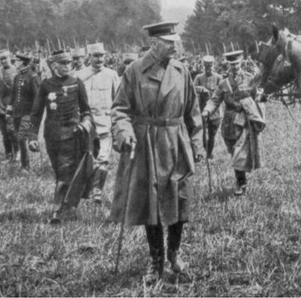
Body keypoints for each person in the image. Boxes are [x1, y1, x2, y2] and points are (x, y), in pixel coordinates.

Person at [110, 21, 204, 284]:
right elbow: (120, 109)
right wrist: (124, 132)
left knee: (179, 199)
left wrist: (196, 144)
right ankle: (155, 261)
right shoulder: (135, 70)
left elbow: (192, 111)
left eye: (175, 41)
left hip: (176, 142)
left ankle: (174, 255)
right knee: (150, 204)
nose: (175, 46)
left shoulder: (181, 70)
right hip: (146, 143)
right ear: (154, 43)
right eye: (169, 42)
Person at [27, 50, 94, 224]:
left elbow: (86, 110)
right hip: (51, 136)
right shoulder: (46, 85)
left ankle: (57, 211)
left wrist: (84, 124)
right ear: (54, 65)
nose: (67, 66)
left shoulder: (77, 83)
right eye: (63, 63)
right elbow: (35, 113)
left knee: (65, 171)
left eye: (69, 63)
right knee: (60, 172)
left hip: (72, 135)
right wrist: (32, 136)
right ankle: (69, 204)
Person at [202, 51, 265, 195]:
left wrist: (254, 102)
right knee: (233, 151)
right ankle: (241, 177)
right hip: (229, 123)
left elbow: (258, 96)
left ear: (241, 62)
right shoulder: (223, 83)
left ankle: (240, 182)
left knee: (239, 152)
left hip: (244, 122)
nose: (235, 67)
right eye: (232, 65)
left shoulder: (249, 79)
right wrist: (206, 111)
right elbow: (214, 100)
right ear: (228, 65)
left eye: (237, 64)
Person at [76, 42, 120, 205]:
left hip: (104, 125)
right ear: (89, 57)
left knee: (103, 159)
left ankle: (97, 191)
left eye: (102, 55)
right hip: (86, 125)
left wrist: (116, 126)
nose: (99, 59)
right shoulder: (79, 76)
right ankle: (85, 190)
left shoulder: (112, 75)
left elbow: (118, 102)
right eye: (95, 56)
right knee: (87, 159)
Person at [9, 51, 42, 170]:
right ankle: (24, 163)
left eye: (17, 61)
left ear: (23, 62)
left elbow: (37, 98)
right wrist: (10, 109)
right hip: (17, 112)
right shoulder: (18, 76)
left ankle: (25, 166)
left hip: (28, 113)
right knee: (18, 137)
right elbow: (13, 95)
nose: (15, 63)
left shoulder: (32, 76)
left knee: (22, 137)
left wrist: (34, 115)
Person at [193, 54, 222, 159]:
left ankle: (209, 153)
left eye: (210, 66)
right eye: (206, 67)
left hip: (215, 111)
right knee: (202, 132)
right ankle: (204, 151)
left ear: (213, 66)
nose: (208, 69)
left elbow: (221, 91)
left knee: (212, 134)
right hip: (202, 109)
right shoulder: (199, 77)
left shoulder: (218, 77)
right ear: (203, 66)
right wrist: (201, 88)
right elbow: (192, 88)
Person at [0, 49, 18, 161]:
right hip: (0, 105)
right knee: (4, 133)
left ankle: (17, 153)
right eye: (1, 59)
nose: (3, 61)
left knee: (12, 131)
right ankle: (8, 154)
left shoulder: (17, 71)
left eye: (5, 58)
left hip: (13, 105)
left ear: (10, 57)